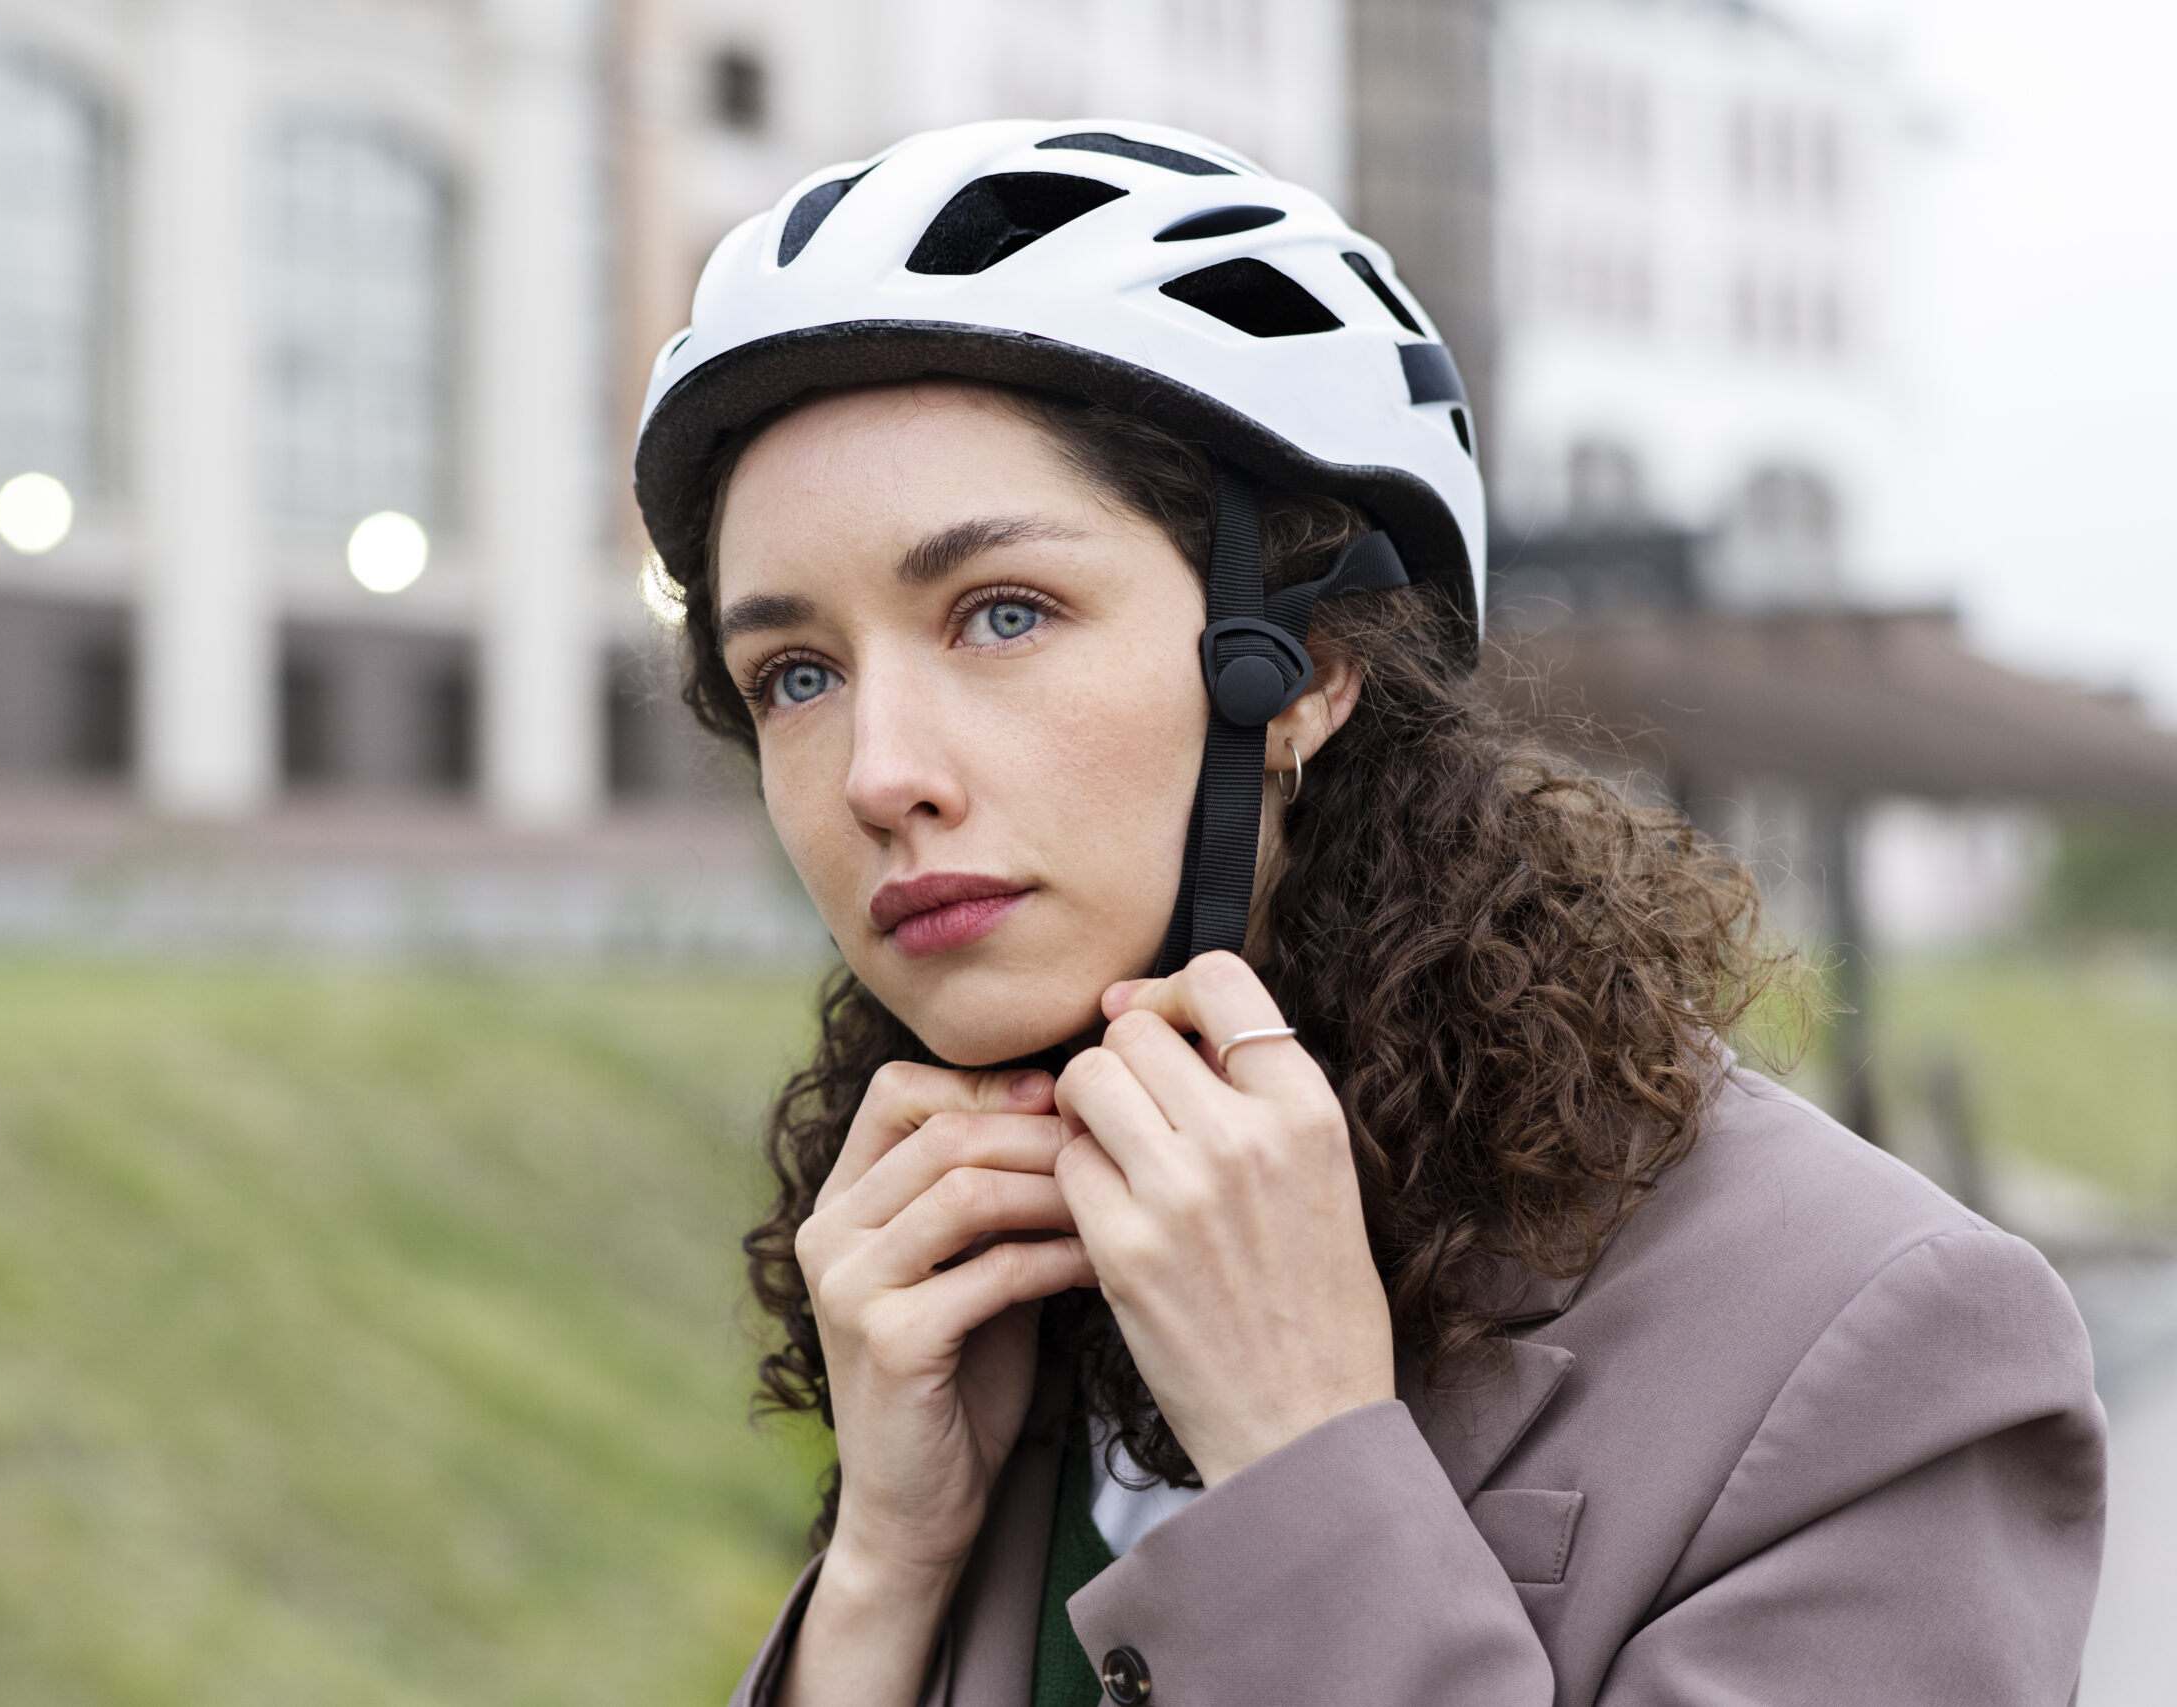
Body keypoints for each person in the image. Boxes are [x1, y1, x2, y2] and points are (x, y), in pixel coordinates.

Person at [631, 120, 2105, 1707]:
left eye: (1002, 614)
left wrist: (1300, 1459)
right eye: (795, 672)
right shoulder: (989, 1300)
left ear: (1308, 668)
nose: (877, 773)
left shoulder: (1879, 1336)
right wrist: (883, 1580)